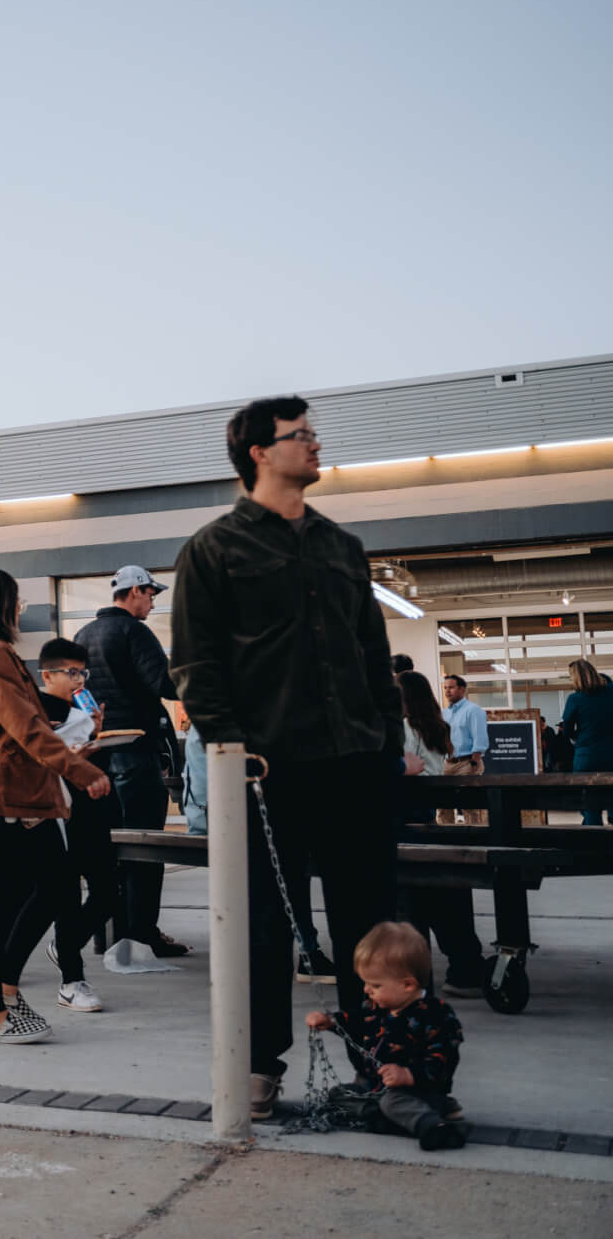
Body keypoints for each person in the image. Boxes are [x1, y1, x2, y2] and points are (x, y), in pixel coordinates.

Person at [171, 395, 404, 1122]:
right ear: (259, 454)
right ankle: (257, 1066)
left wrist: (388, 743)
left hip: (354, 764)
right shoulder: (214, 550)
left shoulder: (341, 547)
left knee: (367, 925)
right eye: (299, 436)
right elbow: (196, 666)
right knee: (263, 926)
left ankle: (380, 1066)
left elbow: (372, 655)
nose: (315, 444)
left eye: (313, 432)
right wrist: (232, 748)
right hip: (267, 772)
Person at [0, 570, 110, 1045]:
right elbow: (25, 728)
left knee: (44, 889)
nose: (20, 609)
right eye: (15, 600)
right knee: (6, 904)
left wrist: (72, 757)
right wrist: (82, 771)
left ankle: (5, 994)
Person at [76, 565, 188, 959]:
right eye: (151, 595)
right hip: (137, 754)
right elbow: (162, 683)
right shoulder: (134, 632)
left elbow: (77, 694)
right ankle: (141, 934)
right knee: (145, 849)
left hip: (97, 758)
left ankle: (106, 932)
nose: (153, 602)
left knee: (107, 852)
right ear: (135, 591)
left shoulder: (82, 635)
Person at [305, 921, 468, 1151]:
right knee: (338, 1094)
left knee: (393, 1101)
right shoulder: (378, 1007)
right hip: (377, 1087)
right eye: (365, 983)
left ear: (407, 984)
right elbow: (358, 1022)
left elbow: (443, 1059)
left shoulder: (435, 1015)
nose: (366, 990)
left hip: (418, 1090)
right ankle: (389, 1116)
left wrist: (409, 1075)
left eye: (375, 985)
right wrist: (331, 1022)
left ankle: (433, 1125)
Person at [396, 671, 487, 994]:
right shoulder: (437, 728)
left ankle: (418, 977)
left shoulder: (403, 730)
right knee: (443, 894)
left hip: (402, 819)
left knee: (410, 899)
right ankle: (466, 967)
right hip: (427, 815)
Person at [34, 638, 109, 1013]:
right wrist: (71, 758)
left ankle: (66, 946)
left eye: (83, 672)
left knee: (108, 889)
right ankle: (72, 981)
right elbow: (33, 757)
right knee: (64, 896)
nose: (79, 679)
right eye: (71, 672)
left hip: (90, 806)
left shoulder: (80, 710)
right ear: (47, 674)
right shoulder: (31, 709)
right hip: (55, 810)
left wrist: (95, 734)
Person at [561, 659, 612, 825]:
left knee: (591, 804)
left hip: (587, 756)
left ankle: (594, 844)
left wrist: (578, 736)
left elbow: (566, 729)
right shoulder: (610, 692)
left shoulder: (575, 699)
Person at [440, 675, 488, 775]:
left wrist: (474, 762)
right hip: (447, 764)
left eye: (451, 687)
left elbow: (480, 738)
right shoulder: (444, 713)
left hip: (466, 764)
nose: (447, 691)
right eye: (445, 688)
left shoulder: (473, 710)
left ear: (462, 689)